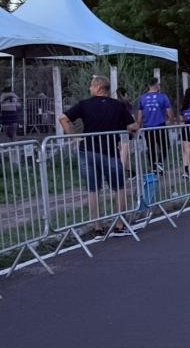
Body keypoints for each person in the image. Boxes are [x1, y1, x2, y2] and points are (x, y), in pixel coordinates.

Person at [59, 75, 138, 238]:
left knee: (93, 189)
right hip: (109, 152)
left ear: (98, 87)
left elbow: (63, 118)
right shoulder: (118, 105)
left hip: (87, 151)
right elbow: (133, 126)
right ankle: (119, 224)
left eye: (91, 86)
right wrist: (122, 128)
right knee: (119, 188)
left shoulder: (84, 104)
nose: (90, 88)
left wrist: (74, 137)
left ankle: (98, 228)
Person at [135, 78, 173, 175]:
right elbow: (169, 111)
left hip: (147, 127)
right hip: (160, 126)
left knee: (150, 147)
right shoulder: (163, 97)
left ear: (149, 85)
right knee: (165, 146)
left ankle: (154, 168)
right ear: (157, 85)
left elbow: (140, 114)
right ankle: (159, 163)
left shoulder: (142, 98)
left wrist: (138, 125)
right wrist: (172, 122)